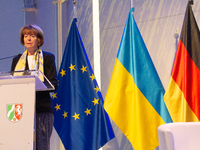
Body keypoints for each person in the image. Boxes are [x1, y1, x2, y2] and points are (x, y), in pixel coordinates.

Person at [11, 24, 57, 150]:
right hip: (22, 109)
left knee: (42, 145)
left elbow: (54, 83)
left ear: (39, 39)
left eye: (32, 36)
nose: (29, 39)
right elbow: (12, 83)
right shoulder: (17, 60)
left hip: (42, 108)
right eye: (26, 36)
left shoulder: (48, 57)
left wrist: (38, 85)